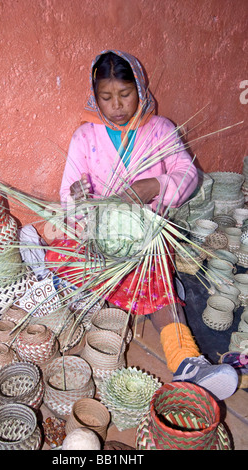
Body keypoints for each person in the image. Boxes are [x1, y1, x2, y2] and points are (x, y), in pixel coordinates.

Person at [46, 50, 238, 401]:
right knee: (57, 256)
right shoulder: (85, 137)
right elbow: (68, 196)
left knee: (155, 281)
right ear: (95, 96)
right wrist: (80, 199)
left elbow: (187, 175)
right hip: (99, 234)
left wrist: (155, 187)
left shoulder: (160, 130)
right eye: (106, 97)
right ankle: (108, 312)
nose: (116, 106)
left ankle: (188, 362)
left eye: (125, 95)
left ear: (141, 89)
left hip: (146, 234)